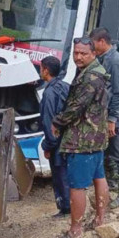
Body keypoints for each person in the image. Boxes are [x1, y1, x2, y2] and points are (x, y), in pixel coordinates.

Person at [52, 38, 110, 238]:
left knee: (77, 186)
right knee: (98, 177)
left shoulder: (90, 78)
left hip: (82, 139)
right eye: (76, 52)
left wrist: (57, 122)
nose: (78, 57)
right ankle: (100, 219)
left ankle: (75, 230)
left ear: (93, 53)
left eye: (83, 53)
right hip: (97, 137)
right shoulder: (97, 72)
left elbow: (76, 107)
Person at [90, 27, 119, 209]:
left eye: (93, 44)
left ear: (102, 41)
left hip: (117, 117)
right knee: (108, 153)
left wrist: (112, 119)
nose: (92, 49)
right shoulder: (104, 59)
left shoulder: (115, 61)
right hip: (107, 115)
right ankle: (113, 185)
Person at [39, 56, 71, 219]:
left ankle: (66, 208)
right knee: (67, 173)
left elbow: (49, 121)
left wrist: (48, 145)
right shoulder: (65, 87)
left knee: (59, 175)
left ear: (46, 70)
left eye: (41, 68)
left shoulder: (49, 92)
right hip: (70, 139)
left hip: (57, 142)